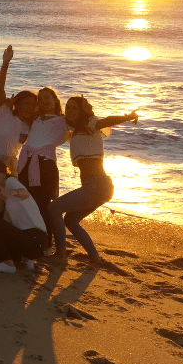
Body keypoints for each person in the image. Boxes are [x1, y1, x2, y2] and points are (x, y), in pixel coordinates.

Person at [47, 96, 138, 264]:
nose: (70, 111)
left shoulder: (90, 123)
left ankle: (60, 254)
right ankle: (94, 257)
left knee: (53, 209)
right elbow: (52, 117)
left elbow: (105, 121)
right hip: (98, 186)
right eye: (68, 108)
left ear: (82, 110)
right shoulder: (74, 130)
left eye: (75, 107)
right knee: (71, 220)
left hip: (96, 184)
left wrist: (127, 117)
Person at [0, 159, 47, 273]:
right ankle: (26, 259)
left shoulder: (10, 181)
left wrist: (12, 193)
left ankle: (9, 265)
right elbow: (4, 227)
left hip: (36, 238)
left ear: (3, 173)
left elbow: (26, 193)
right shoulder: (4, 196)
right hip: (26, 242)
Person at [16, 87, 68, 253]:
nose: (44, 101)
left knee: (43, 204)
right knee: (25, 201)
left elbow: (84, 123)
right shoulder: (35, 119)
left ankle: (46, 244)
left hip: (45, 164)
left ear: (55, 100)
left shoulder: (62, 120)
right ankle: (28, 238)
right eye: (41, 98)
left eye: (48, 97)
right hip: (27, 162)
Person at [0, 46, 37, 172]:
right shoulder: (5, 112)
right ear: (18, 104)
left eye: (33, 104)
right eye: (27, 103)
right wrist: (5, 63)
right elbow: (0, 88)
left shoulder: (30, 125)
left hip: (11, 164)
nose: (30, 107)